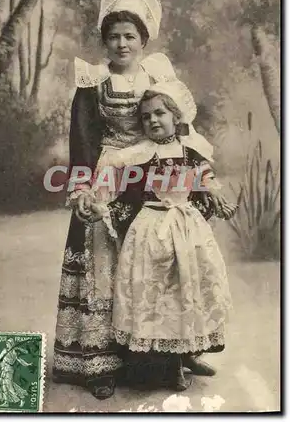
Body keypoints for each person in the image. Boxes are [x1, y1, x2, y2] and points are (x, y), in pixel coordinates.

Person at [52, 0, 210, 399]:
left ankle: (175, 350)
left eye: (129, 36)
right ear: (105, 41)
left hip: (154, 176)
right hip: (111, 175)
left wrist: (194, 172)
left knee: (163, 261)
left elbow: (180, 124)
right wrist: (85, 189)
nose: (122, 44)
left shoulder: (158, 77)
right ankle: (99, 360)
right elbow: (82, 140)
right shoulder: (93, 82)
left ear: (144, 40)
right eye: (114, 37)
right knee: (105, 262)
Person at [89, 82, 236, 391]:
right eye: (145, 117)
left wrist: (215, 193)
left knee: (188, 289)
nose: (153, 120)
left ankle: (189, 354)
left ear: (176, 115)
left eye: (160, 113)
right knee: (159, 295)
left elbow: (205, 176)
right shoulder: (140, 155)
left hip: (186, 229)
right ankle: (168, 366)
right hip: (152, 231)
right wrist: (100, 205)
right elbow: (122, 187)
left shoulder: (190, 150)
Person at [0, 338, 31, 408]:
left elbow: (20, 360)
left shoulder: (14, 352)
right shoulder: (5, 350)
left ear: (11, 344)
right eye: (6, 343)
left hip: (9, 369)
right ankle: (6, 402)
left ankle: (21, 399)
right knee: (3, 385)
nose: (7, 344)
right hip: (3, 369)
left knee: (9, 386)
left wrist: (27, 364)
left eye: (8, 343)